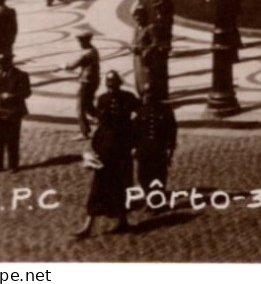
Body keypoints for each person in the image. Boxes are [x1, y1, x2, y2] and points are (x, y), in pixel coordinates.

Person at [75, 71, 139, 239]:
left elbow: (141, 113)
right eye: (110, 85)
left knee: (121, 186)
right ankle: (88, 225)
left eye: (114, 85)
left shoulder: (128, 97)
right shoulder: (103, 99)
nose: (112, 88)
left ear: (119, 84)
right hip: (105, 147)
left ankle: (122, 220)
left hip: (122, 148)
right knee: (98, 186)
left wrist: (132, 132)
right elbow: (99, 121)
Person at [0, 53, 32, 173]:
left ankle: (13, 165)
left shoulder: (21, 75)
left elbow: (27, 92)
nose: (1, 66)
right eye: (0, 63)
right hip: (0, 109)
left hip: (14, 110)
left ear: (10, 62)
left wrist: (11, 96)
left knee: (12, 138)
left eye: (4, 63)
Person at [133, 84, 177, 198]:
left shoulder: (165, 110)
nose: (147, 97)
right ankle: (149, 195)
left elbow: (171, 130)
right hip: (144, 149)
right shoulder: (140, 111)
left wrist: (170, 147)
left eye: (150, 94)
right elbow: (135, 131)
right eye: (145, 94)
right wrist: (133, 147)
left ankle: (156, 199)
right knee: (143, 175)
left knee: (159, 175)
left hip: (159, 149)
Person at [65, 30, 101, 140]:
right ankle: (103, 122)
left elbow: (72, 66)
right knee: (89, 105)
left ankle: (84, 132)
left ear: (85, 41)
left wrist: (64, 65)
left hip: (86, 82)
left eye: (80, 41)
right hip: (94, 81)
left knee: (80, 107)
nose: (79, 43)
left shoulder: (86, 53)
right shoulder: (94, 50)